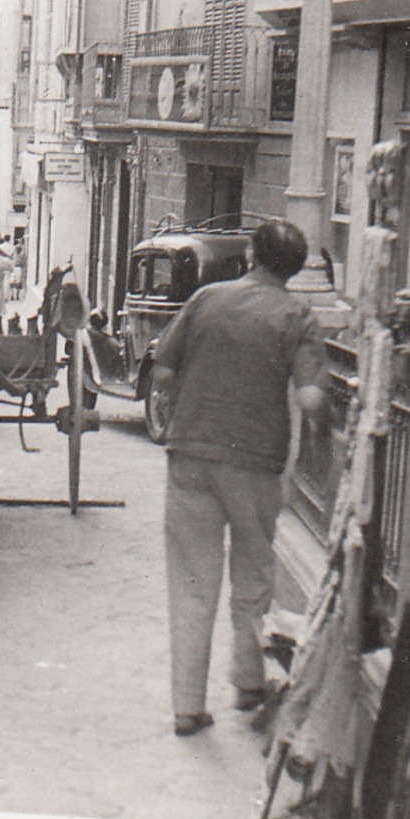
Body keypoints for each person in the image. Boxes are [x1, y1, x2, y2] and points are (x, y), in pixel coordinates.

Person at [150, 219, 328, 737]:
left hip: (190, 453)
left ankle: (187, 707)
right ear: (293, 269)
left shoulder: (206, 299)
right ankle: (248, 681)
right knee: (252, 576)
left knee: (190, 582)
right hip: (254, 463)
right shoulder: (297, 313)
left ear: (251, 254)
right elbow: (313, 398)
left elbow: (163, 371)